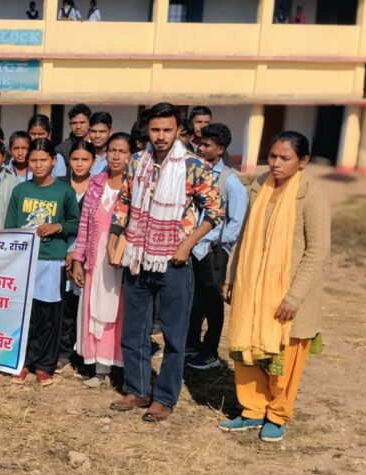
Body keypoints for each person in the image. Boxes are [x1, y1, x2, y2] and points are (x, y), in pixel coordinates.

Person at [106, 102, 223, 422]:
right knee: (134, 331)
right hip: (137, 257)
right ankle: (138, 389)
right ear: (147, 130)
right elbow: (124, 201)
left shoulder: (194, 166)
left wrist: (188, 244)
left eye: (167, 130)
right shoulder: (135, 162)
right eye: (155, 129)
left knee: (174, 336)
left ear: (178, 130)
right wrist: (114, 238)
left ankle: (165, 398)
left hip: (175, 262)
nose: (160, 136)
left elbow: (215, 211)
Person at [219, 131, 330, 443]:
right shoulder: (260, 185)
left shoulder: (312, 195)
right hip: (251, 287)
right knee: (246, 351)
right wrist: (232, 276)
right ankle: (253, 409)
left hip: (287, 295)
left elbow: (317, 250)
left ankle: (277, 415)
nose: (276, 163)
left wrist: (294, 296)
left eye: (285, 158)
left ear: (303, 161)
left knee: (284, 359)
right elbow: (244, 236)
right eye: (272, 156)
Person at [5, 138, 80, 387]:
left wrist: (58, 226)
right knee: (26, 313)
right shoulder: (20, 191)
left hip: (52, 260)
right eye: (33, 160)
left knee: (50, 315)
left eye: (43, 160)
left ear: (53, 161)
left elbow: (76, 222)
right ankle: (23, 361)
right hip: (26, 260)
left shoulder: (64, 191)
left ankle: (45, 364)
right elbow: (10, 227)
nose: (38, 165)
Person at [70, 133, 132, 388]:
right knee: (95, 309)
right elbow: (85, 225)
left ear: (131, 155)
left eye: (122, 151)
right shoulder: (96, 184)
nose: (116, 156)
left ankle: (123, 367)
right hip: (97, 259)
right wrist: (78, 260)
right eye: (112, 150)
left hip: (123, 259)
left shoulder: (135, 185)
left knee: (121, 311)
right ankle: (100, 368)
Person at [186, 123, 247, 371]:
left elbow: (237, 220)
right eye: (200, 143)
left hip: (211, 250)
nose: (200, 148)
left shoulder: (229, 180)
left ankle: (210, 351)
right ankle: (192, 344)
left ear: (220, 149)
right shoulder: (196, 171)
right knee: (194, 298)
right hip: (192, 247)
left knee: (212, 302)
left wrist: (218, 244)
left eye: (207, 145)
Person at [58, 140, 96, 372]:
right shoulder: (59, 184)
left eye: (85, 159)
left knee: (85, 305)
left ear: (93, 161)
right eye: (75, 159)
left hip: (88, 253)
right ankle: (63, 350)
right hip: (60, 250)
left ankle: (85, 353)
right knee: (64, 305)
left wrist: (78, 253)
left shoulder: (98, 186)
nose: (79, 164)